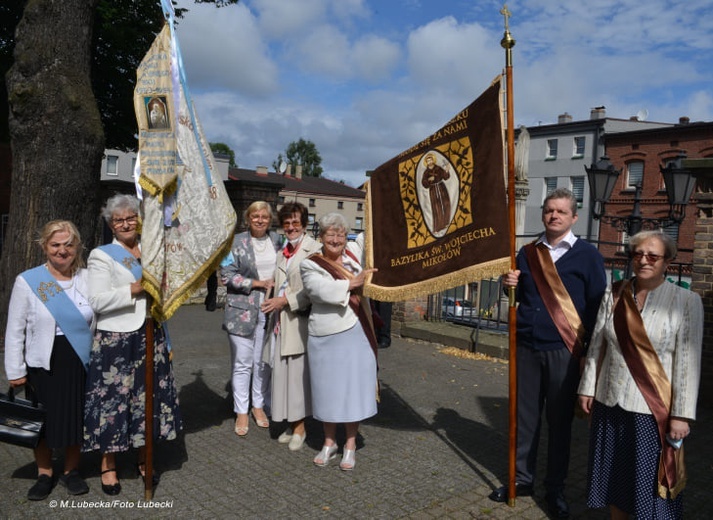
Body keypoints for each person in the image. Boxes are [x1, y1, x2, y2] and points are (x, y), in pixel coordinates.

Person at [489, 188, 606, 518]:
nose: (554, 215)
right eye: (549, 210)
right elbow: (519, 297)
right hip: (527, 347)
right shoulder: (526, 253)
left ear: (573, 217)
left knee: (559, 424)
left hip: (565, 352)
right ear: (543, 214)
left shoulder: (588, 256)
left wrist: (590, 356)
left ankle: (555, 489)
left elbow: (598, 308)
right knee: (523, 421)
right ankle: (522, 480)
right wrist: (507, 284)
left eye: (560, 211)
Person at [578, 230, 702, 519]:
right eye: (638, 254)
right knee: (614, 480)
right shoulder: (615, 293)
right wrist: (586, 388)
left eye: (653, 256)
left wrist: (681, 415)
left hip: (651, 410)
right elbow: (597, 344)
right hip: (610, 403)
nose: (644, 260)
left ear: (667, 261)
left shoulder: (686, 301)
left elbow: (687, 362)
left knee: (648, 486)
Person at [83, 194, 182, 496]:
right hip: (116, 341)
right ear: (111, 224)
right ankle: (108, 463)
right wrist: (136, 288)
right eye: (119, 220)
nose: (126, 223)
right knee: (113, 402)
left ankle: (144, 456)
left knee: (147, 400)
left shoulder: (153, 250)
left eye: (130, 218)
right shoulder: (102, 255)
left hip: (150, 334)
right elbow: (97, 301)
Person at [4, 220, 94, 500]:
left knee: (75, 417)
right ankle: (44, 473)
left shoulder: (88, 278)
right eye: (55, 245)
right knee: (42, 421)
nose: (62, 251)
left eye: (68, 244)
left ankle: (71, 471)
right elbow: (14, 329)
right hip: (43, 361)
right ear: (45, 247)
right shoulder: (30, 280)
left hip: (80, 359)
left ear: (77, 246)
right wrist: (14, 369)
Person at [300, 213, 378, 471]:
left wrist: (377, 202)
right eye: (330, 234)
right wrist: (351, 283)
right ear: (321, 237)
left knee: (352, 390)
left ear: (347, 237)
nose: (335, 239)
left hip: (357, 333)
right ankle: (329, 442)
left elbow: (374, 236)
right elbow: (317, 291)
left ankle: (350, 445)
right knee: (327, 391)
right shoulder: (310, 263)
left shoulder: (355, 254)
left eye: (340, 234)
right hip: (326, 336)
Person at [261, 202, 320, 451]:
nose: (291, 227)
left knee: (297, 378)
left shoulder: (314, 250)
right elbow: (282, 282)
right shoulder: (282, 251)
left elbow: (312, 289)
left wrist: (284, 300)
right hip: (280, 323)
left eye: (296, 222)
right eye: (286, 223)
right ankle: (291, 422)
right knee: (283, 377)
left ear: (304, 224)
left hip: (298, 323)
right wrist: (271, 289)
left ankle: (300, 428)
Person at [221, 201, 281, 437]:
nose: (259, 220)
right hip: (241, 311)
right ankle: (241, 410)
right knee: (243, 362)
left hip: (269, 309)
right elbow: (227, 276)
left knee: (262, 362)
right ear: (247, 218)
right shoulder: (235, 243)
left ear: (270, 219)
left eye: (264, 216)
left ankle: (258, 405)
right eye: (255, 215)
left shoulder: (278, 241)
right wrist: (257, 283)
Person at [421, 152, 451, 234]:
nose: (430, 162)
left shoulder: (438, 168)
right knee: (436, 207)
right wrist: (428, 180)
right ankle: (438, 227)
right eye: (428, 161)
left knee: (446, 203)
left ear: (433, 160)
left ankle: (446, 222)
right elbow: (424, 183)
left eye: (431, 160)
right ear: (426, 162)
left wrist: (447, 170)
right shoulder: (426, 172)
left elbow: (445, 177)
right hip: (433, 190)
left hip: (441, 187)